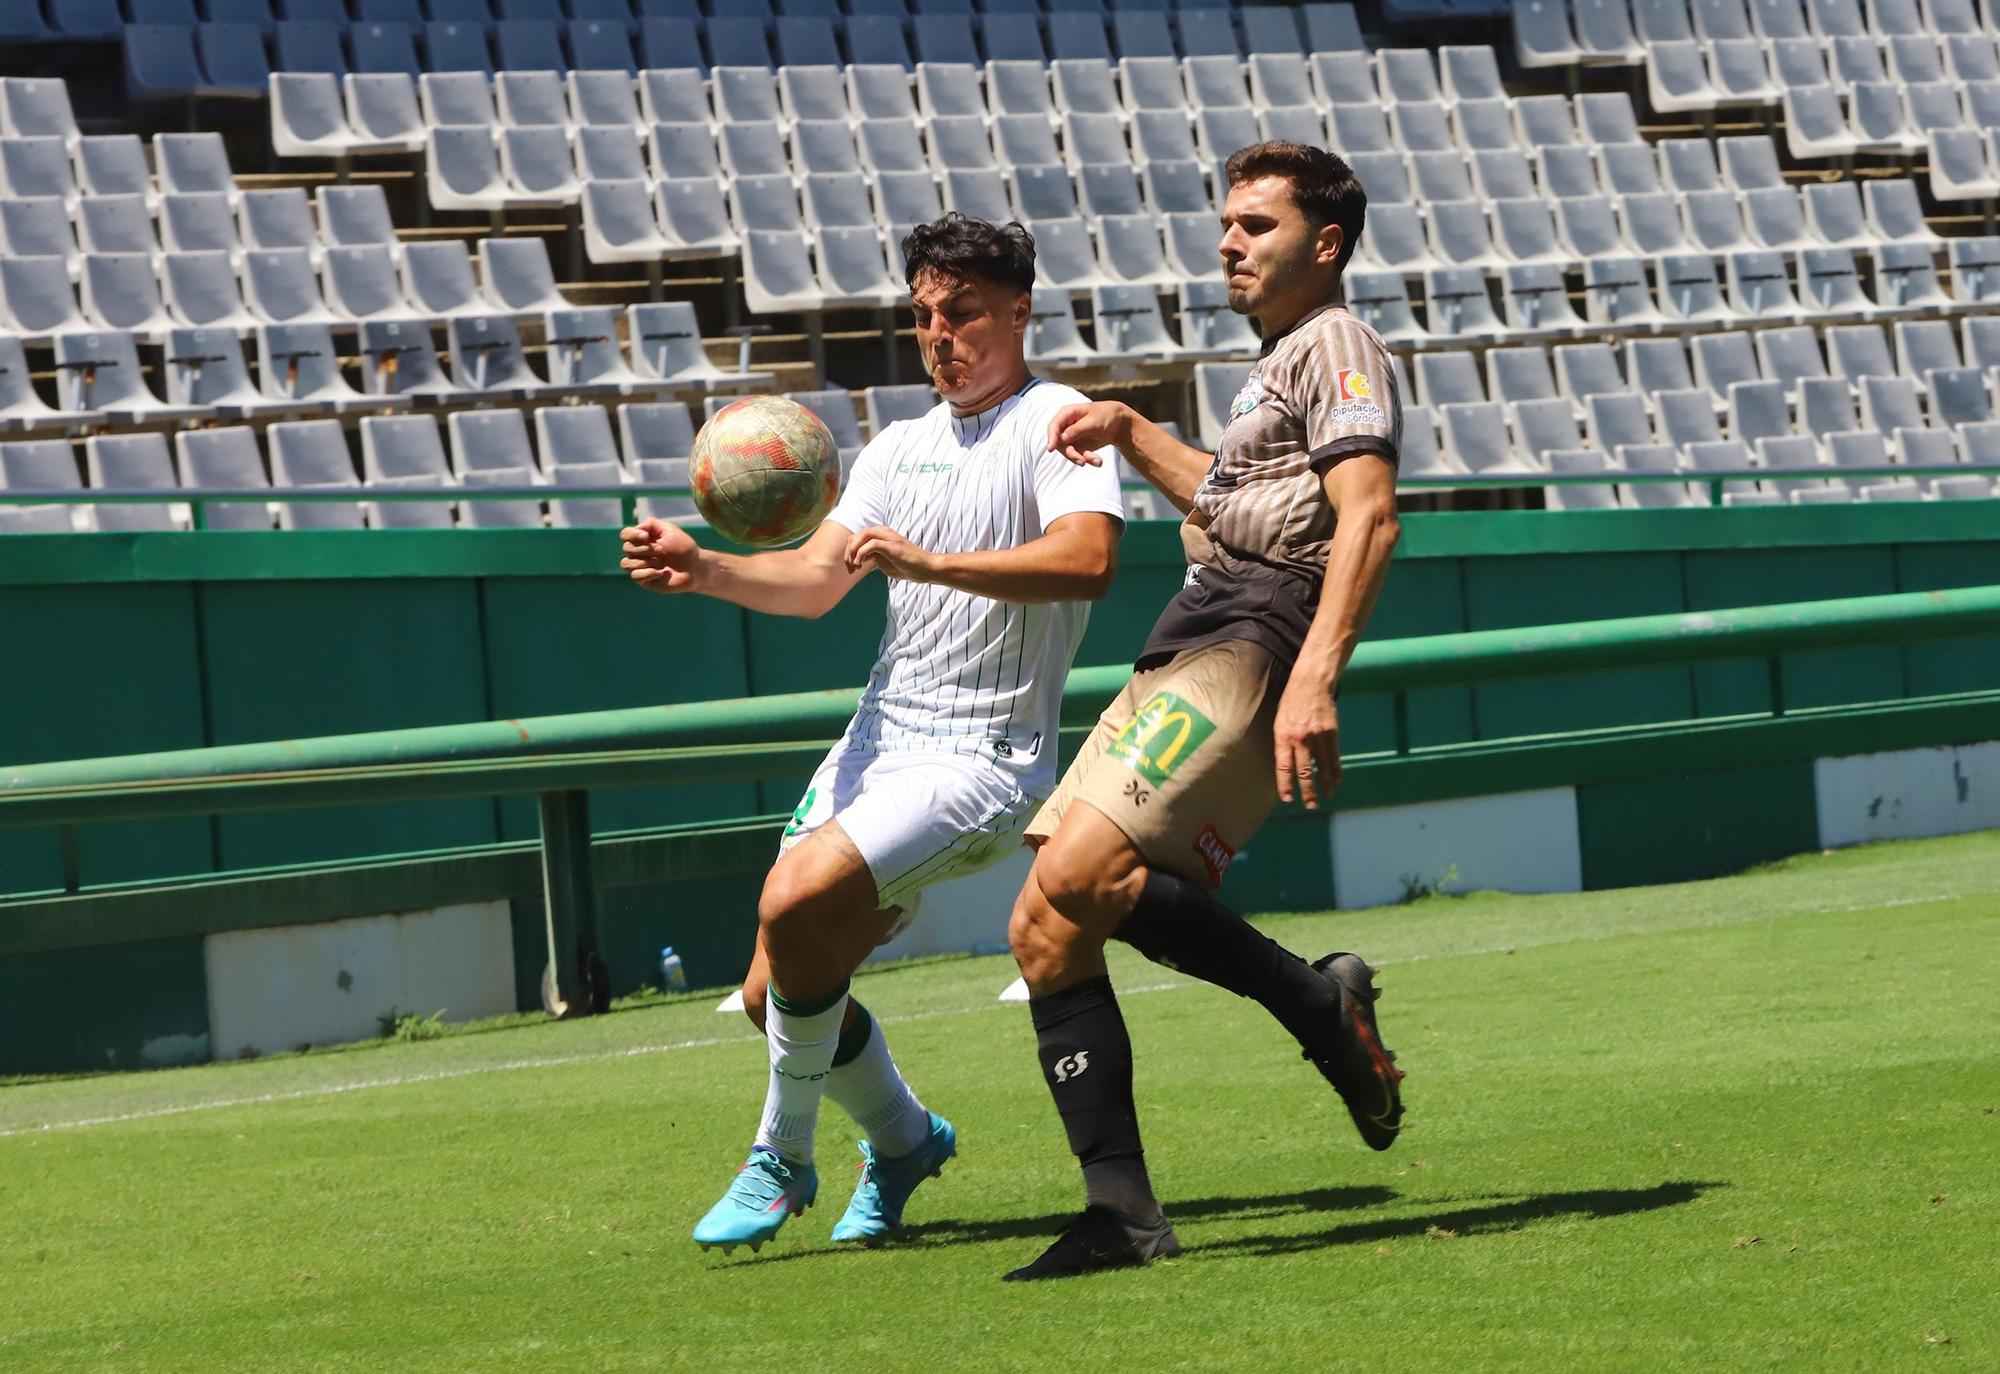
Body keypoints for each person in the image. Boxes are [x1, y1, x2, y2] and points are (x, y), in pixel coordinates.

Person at [619, 213, 1125, 1255]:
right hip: (878, 742)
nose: (940, 336)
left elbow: (1086, 561)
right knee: (774, 991)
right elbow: (815, 583)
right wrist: (703, 568)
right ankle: (902, 1140)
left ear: (1018, 311)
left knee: (793, 900)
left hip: (987, 753)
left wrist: (930, 565)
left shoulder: (1060, 420)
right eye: (925, 316)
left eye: (964, 314)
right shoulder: (897, 447)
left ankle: (781, 1155)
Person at [1001, 142, 1408, 1280]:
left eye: (1256, 225)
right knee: (1044, 926)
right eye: (1226, 223)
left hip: (1252, 636)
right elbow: (1233, 503)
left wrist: (1316, 676)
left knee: (1079, 878)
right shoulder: (1277, 360)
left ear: (1323, 245)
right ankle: (1120, 1212)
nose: (1228, 241)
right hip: (1194, 625)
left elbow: (1366, 516)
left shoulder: (1335, 341)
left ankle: (1318, 1012)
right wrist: (1135, 437)